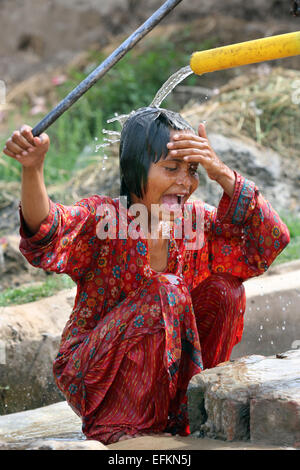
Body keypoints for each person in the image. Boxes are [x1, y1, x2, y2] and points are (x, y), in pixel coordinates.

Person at [3, 107, 290, 444]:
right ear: (135, 167)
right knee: (166, 290)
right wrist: (33, 168)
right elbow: (47, 230)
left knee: (227, 291)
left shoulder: (194, 220)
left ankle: (195, 408)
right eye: (171, 168)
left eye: (192, 170)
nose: (185, 182)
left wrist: (222, 173)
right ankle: (122, 429)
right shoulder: (104, 218)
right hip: (98, 374)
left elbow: (268, 240)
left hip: (172, 382)